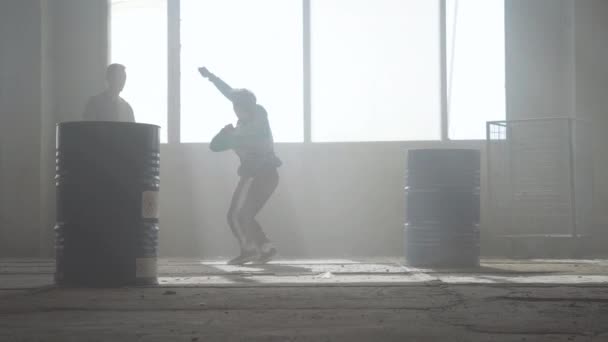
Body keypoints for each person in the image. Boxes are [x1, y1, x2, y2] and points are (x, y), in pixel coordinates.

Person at [199, 66, 282, 265]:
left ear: (249, 109)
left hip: (260, 174)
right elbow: (215, 145)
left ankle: (249, 250)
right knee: (244, 215)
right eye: (236, 108)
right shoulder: (242, 125)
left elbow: (218, 144)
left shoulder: (252, 123)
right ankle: (265, 248)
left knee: (237, 215)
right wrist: (211, 77)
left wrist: (226, 134)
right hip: (263, 175)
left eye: (240, 109)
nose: (237, 112)